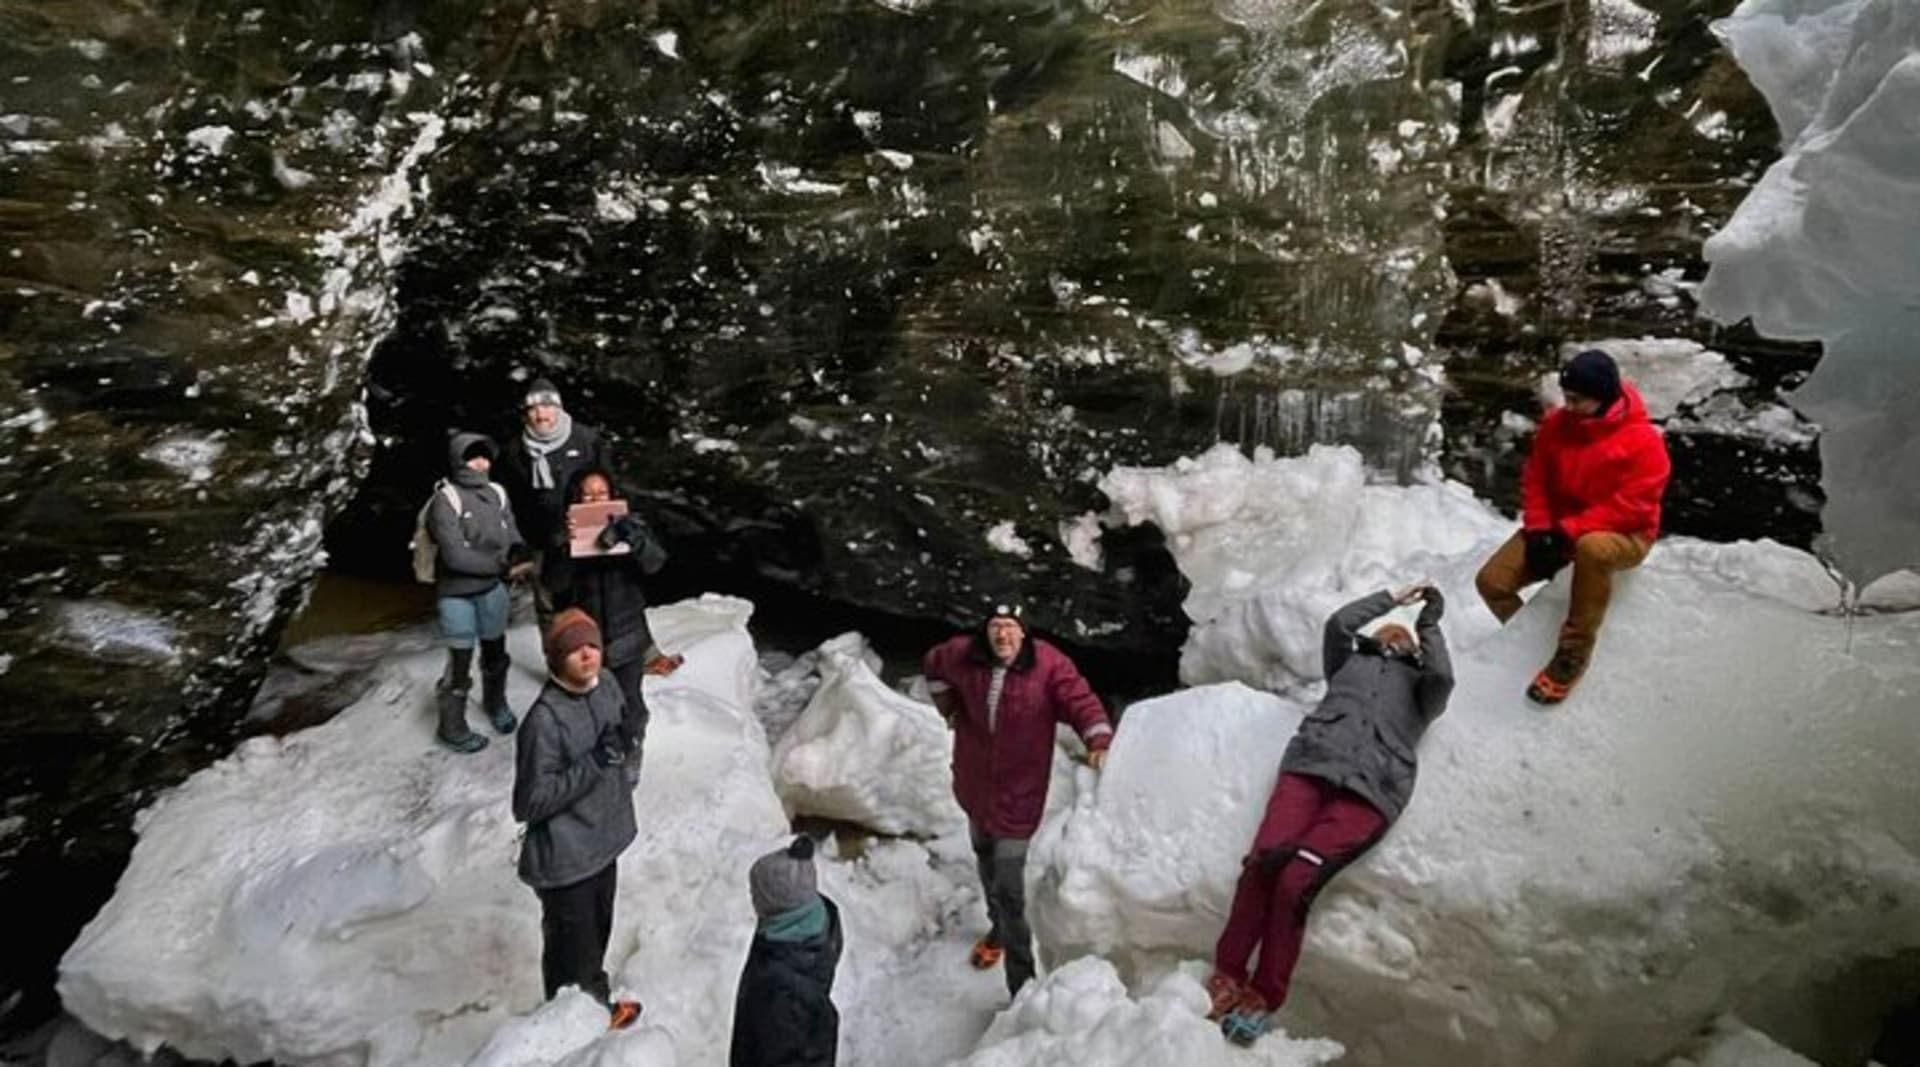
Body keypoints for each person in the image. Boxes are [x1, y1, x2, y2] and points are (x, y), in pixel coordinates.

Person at [1209, 586, 1452, 1047]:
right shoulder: (1348, 662)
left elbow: (1444, 678)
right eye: (1388, 632)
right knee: (1262, 864)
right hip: (1310, 766)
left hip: (1372, 790)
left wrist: (1427, 622)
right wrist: (1391, 601)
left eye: (1405, 638)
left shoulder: (1422, 689)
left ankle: (1263, 996)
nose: (1395, 636)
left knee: (1296, 881)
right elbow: (1338, 625)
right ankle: (1226, 973)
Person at [922, 603, 1114, 997]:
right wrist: (949, 708)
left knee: (1009, 889)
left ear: (1024, 632)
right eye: (996, 627)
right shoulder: (965, 654)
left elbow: (1081, 702)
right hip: (975, 787)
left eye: (1011, 627)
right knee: (985, 859)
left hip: (1019, 797)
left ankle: (1021, 985)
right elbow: (934, 664)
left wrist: (1098, 739)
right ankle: (997, 927)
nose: (1003, 635)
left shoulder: (1047, 665)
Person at [1474, 348, 1672, 704]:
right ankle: (1527, 640)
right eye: (1567, 396)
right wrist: (1538, 528)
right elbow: (1536, 478)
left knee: (1593, 547)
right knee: (1492, 582)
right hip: (1558, 526)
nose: (1568, 405)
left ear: (1603, 397)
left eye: (1577, 399)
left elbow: (1632, 507)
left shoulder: (1644, 443)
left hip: (1626, 532)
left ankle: (1573, 653)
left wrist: (1567, 531)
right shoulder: (1557, 425)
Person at [511, 609, 643, 1031]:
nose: (587, 656)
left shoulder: (606, 685)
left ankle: (597, 1007)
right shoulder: (543, 722)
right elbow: (529, 803)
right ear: (554, 659)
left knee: (597, 938)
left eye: (593, 646)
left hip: (603, 842)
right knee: (571, 956)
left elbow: (620, 738)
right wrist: (596, 762)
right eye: (574, 650)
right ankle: (565, 1034)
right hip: (566, 860)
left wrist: (630, 740)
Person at [553, 468, 683, 777]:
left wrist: (636, 541)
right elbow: (554, 583)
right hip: (588, 634)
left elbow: (656, 565)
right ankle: (603, 745)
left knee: (630, 700)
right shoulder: (566, 529)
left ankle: (631, 743)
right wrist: (564, 547)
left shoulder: (632, 524)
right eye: (588, 494)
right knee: (592, 698)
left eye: (601, 494)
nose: (595, 499)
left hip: (627, 630)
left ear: (612, 496)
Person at [427, 432, 533, 753]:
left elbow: (510, 530)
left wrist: (518, 551)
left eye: (485, 456)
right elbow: (454, 556)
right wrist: (502, 566)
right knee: (460, 662)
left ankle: (495, 703)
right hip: (457, 595)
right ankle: (452, 726)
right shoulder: (446, 500)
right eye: (473, 456)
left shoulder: (498, 493)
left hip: (491, 591)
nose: (481, 463)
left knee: (495, 653)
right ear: (459, 459)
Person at [496, 378, 613, 630]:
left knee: (593, 598)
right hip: (539, 538)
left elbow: (607, 484)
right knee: (549, 604)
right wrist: (517, 543)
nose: (540, 414)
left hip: (585, 532)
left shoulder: (586, 439)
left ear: (558, 408)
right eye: (533, 409)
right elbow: (507, 499)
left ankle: (598, 659)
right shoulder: (514, 451)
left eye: (547, 406)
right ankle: (558, 663)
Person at [730, 835, 844, 1067]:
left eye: (756, 893)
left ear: (775, 904)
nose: (752, 898)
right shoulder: (813, 923)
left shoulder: (781, 991)